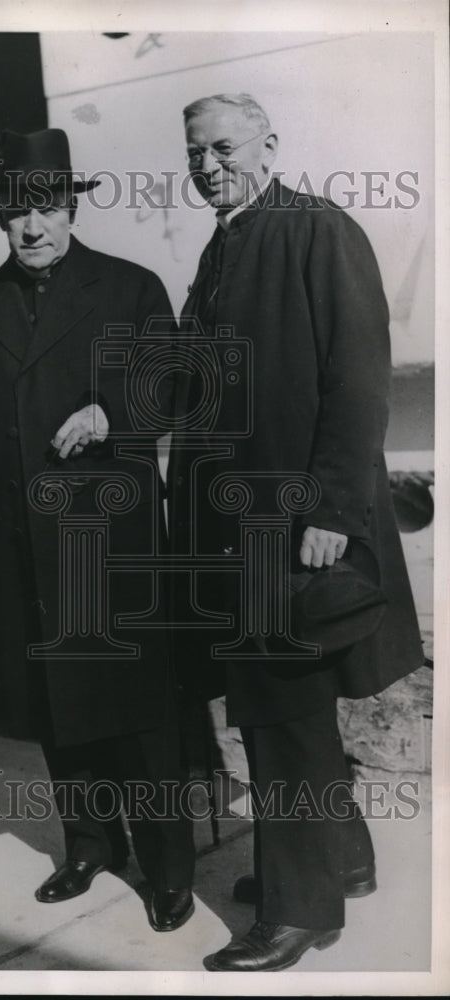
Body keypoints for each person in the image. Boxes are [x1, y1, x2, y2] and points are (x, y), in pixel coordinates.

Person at [167, 93, 424, 970]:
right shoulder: (225, 243)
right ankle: (341, 859)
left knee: (284, 720)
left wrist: (327, 513)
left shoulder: (317, 230)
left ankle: (300, 911)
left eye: (225, 148)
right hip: (237, 534)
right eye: (195, 154)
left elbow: (360, 384)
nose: (209, 166)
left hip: (291, 529)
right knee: (291, 712)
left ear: (270, 145)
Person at [0, 128, 195, 931]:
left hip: (110, 549)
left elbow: (181, 388)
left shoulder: (130, 288)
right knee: (52, 706)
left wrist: (112, 412)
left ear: (71, 205)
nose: (33, 226)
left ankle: (169, 867)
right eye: (17, 210)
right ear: (0, 218)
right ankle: (89, 844)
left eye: (46, 206)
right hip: (19, 550)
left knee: (138, 712)